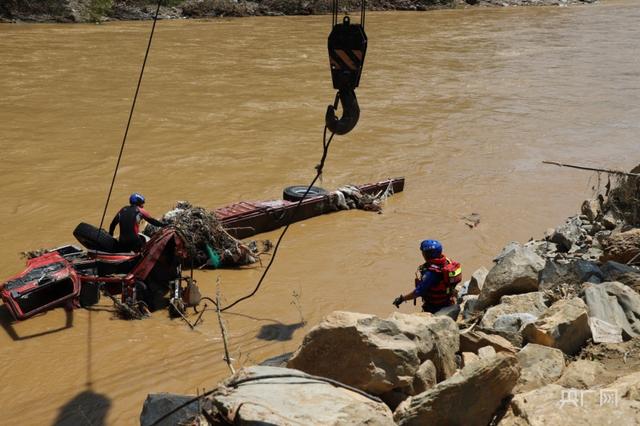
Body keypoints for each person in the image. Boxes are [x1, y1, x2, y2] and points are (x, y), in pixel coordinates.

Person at [392, 239, 462, 315]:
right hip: (448, 300)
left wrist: (402, 299)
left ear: (427, 255)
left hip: (434, 307)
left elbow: (417, 292)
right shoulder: (447, 261)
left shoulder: (431, 274)